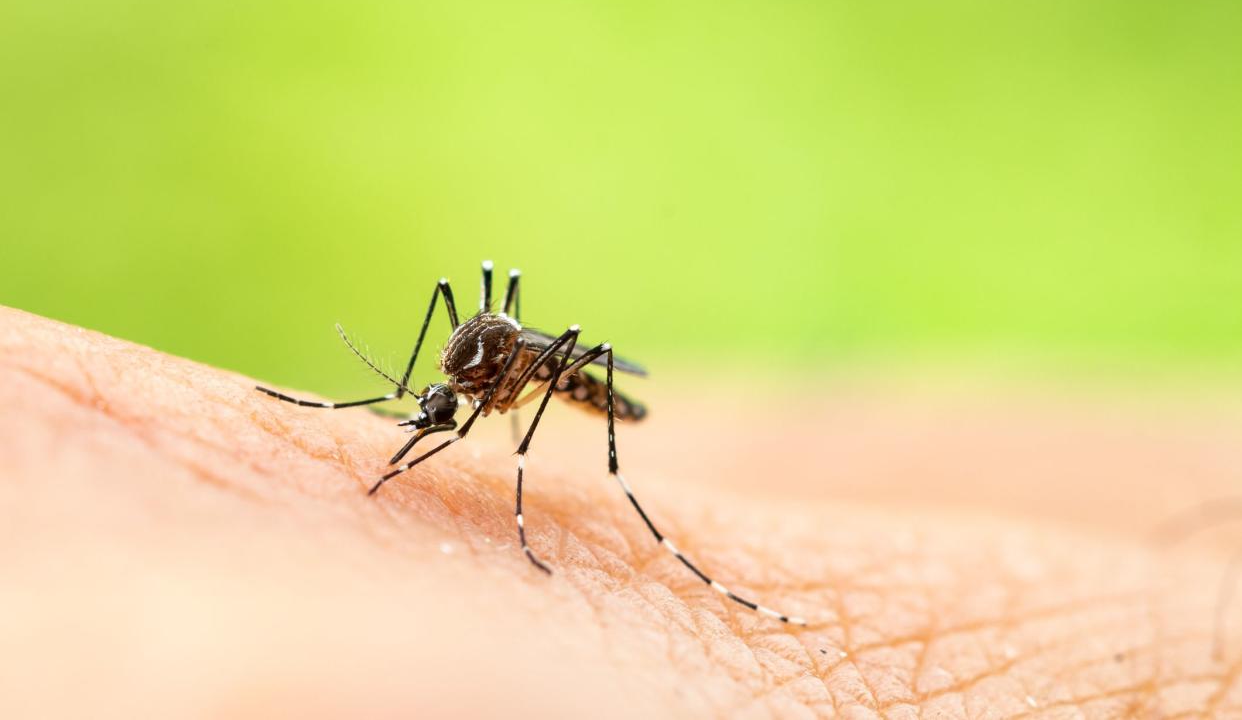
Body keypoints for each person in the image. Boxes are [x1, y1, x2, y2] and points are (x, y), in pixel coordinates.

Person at [3, 305, 1240, 718]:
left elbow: (525, 353)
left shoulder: (518, 375)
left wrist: (524, 497)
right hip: (520, 370)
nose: (445, 408)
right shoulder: (459, 367)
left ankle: (550, 518)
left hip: (577, 380)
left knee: (527, 339)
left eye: (448, 398)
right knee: (479, 306)